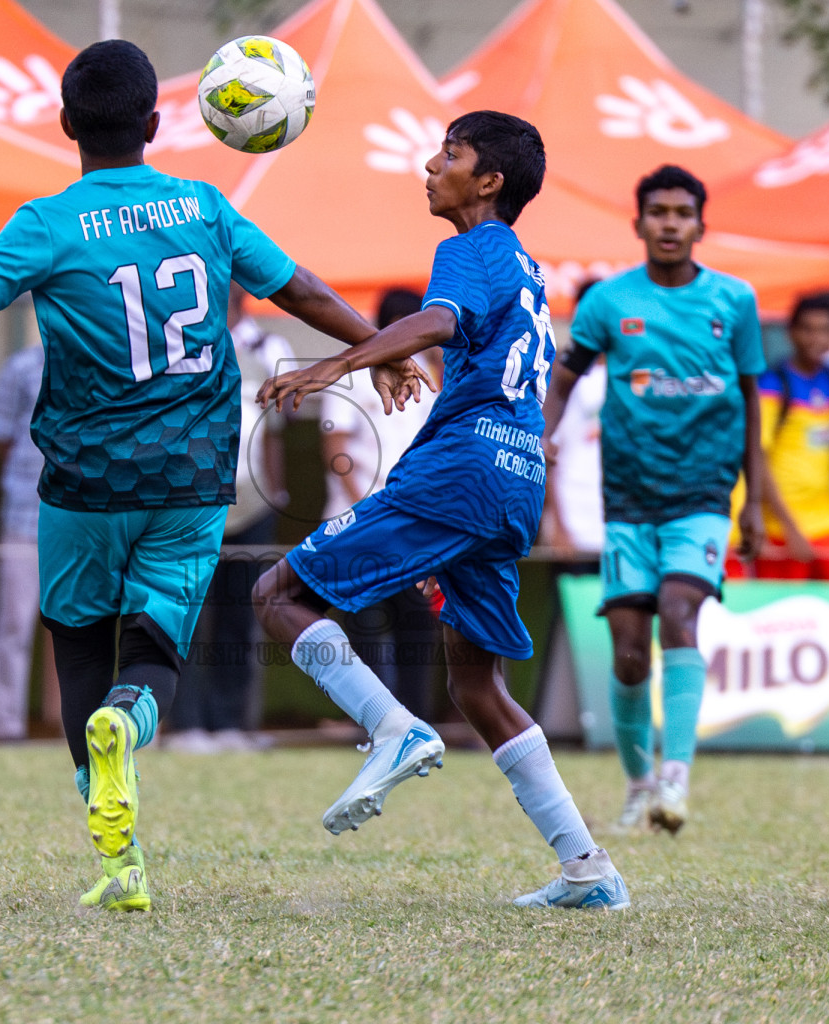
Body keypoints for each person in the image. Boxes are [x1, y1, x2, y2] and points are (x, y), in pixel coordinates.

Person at [0, 40, 426, 913]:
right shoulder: (207, 209)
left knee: (78, 645)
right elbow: (299, 290)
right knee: (152, 655)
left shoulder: (45, 223)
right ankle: (131, 724)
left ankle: (120, 859)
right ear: (156, 124)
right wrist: (374, 349)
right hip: (189, 482)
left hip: (81, 482)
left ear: (68, 124)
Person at [254, 111, 630, 911]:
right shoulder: (523, 264)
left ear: (488, 181)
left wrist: (339, 364)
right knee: (476, 682)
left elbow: (440, 321)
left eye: (450, 154)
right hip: (517, 476)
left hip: (461, 471)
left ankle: (393, 728)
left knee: (277, 596)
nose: (430, 165)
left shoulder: (471, 247)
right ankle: (588, 869)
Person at [543, 164, 764, 838]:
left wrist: (755, 502)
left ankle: (677, 776)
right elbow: (565, 374)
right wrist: (536, 438)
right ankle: (640, 784)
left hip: (702, 493)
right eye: (658, 212)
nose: (670, 223)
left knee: (679, 611)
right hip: (628, 497)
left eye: (682, 212)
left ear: (701, 224)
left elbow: (752, 399)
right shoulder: (608, 302)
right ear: (638, 223)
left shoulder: (735, 301)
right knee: (631, 651)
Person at [167, 284, 294, 753]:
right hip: (192, 503)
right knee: (186, 615)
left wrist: (275, 494)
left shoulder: (270, 348)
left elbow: (277, 428)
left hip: (253, 505)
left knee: (242, 615)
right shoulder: (183, 345)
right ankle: (186, 724)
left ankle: (229, 723)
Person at [309, 286, 442, 725]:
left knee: (416, 626)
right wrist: (361, 511)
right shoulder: (351, 371)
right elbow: (335, 449)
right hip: (361, 521)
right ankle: (376, 721)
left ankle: (415, 719)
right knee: (366, 626)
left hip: (411, 520)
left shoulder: (424, 372)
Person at [752, 292, 829, 581]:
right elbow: (758, 456)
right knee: (785, 615)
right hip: (781, 527)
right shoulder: (772, 383)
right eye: (807, 329)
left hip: (827, 521)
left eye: (826, 331)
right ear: (791, 332)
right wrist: (788, 526)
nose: (815, 338)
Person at [0, 341, 59, 742]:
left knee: (80, 625)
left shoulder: (101, 355)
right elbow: (2, 438)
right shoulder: (19, 367)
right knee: (14, 621)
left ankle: (68, 721)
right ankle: (6, 725)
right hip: (23, 515)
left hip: (79, 520)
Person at [541, 279, 607, 556]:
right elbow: (546, 452)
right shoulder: (559, 379)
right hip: (572, 518)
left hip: (621, 522)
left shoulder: (633, 373)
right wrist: (558, 524)